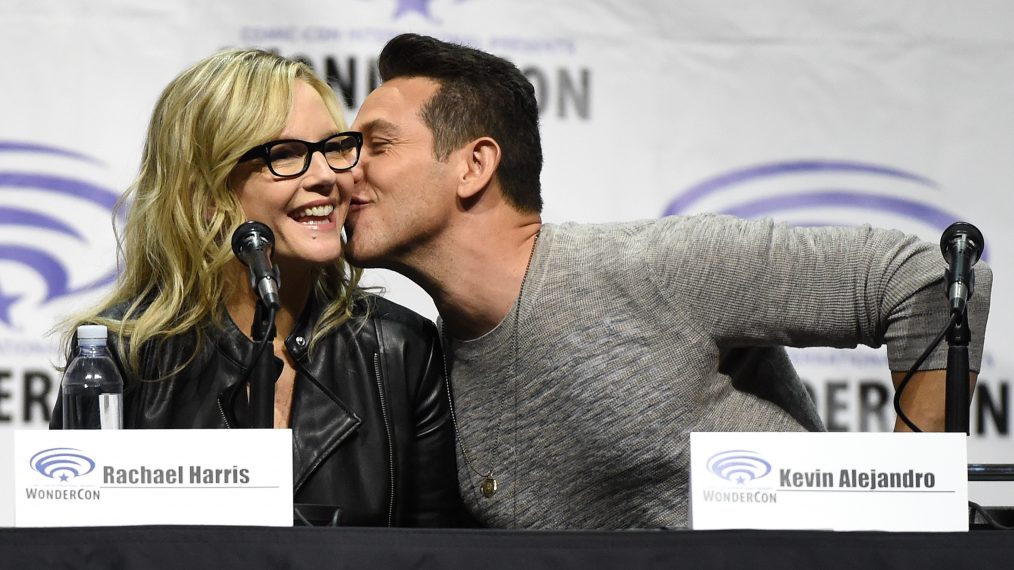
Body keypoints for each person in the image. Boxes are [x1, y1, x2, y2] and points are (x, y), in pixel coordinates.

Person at [343, 33, 993, 529]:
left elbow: (929, 281)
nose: (347, 173)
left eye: (377, 144)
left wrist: (906, 513)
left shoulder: (650, 267)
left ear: (473, 166)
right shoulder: (424, 379)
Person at [49, 48, 465, 527]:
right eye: (285, 155)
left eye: (333, 148)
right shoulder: (123, 357)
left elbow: (436, 553)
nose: (327, 177)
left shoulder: (400, 350)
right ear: (204, 193)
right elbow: (73, 550)